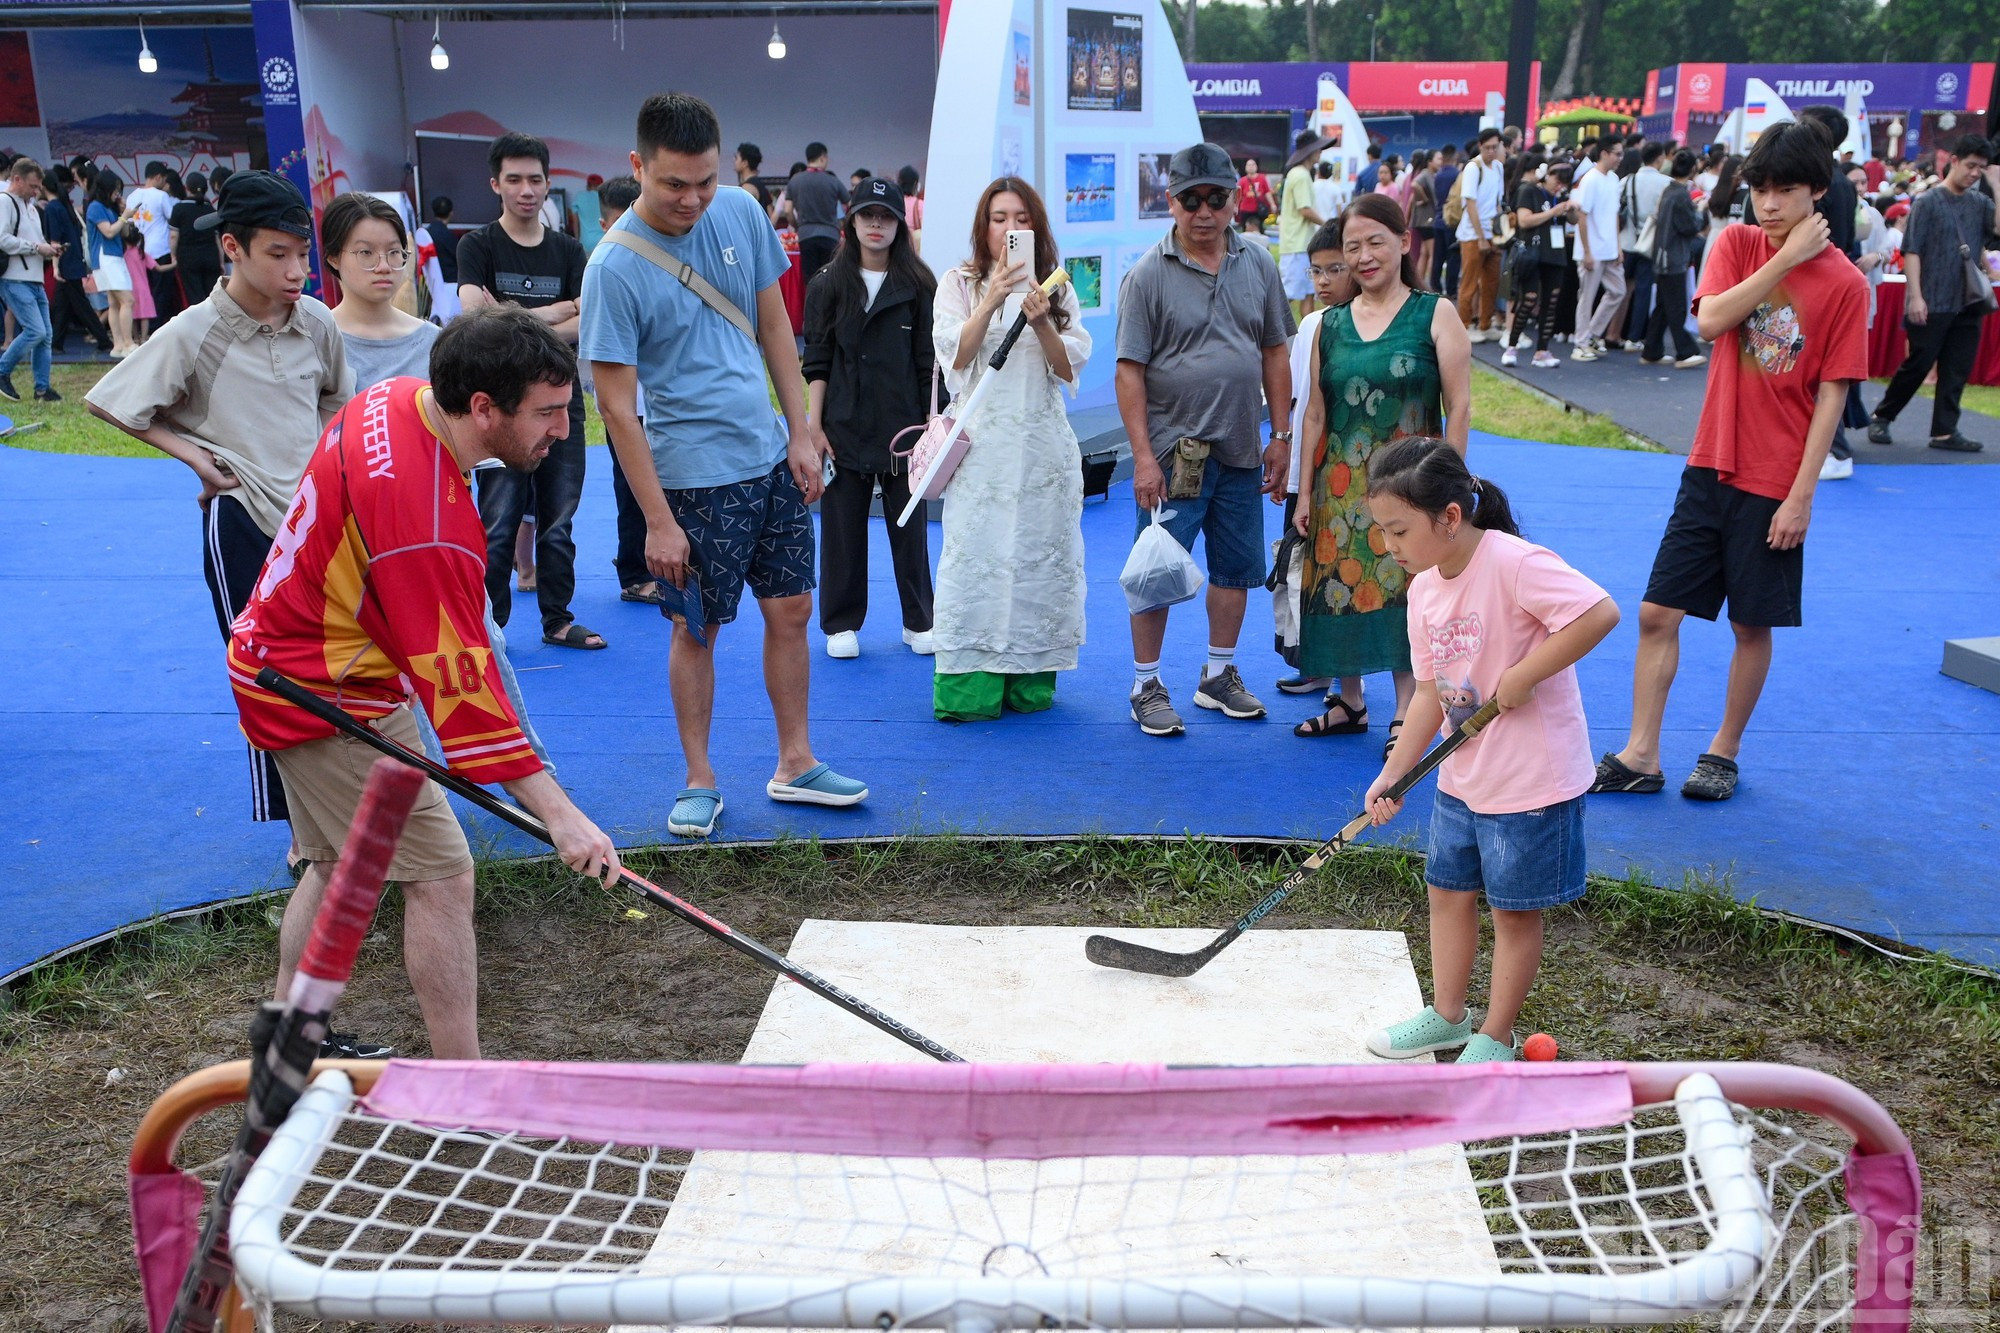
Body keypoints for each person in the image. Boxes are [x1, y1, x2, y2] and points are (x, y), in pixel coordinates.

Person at [232, 308, 621, 1061]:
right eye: (546, 413)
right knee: (442, 872)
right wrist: (564, 818)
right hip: (324, 688)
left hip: (289, 660)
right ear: (482, 407)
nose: (563, 431)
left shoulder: (398, 396)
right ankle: (460, 1083)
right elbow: (468, 704)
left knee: (339, 862)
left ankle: (287, 1037)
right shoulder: (429, 526)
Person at [582, 92, 867, 839]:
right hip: (691, 479)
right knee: (695, 630)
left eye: (705, 180)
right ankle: (699, 777)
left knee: (794, 610)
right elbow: (616, 409)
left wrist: (800, 433)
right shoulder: (613, 269)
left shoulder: (740, 211)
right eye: (674, 184)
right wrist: (657, 521)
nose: (692, 199)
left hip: (770, 458)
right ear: (637, 167)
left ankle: (795, 760)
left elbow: (775, 323)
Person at [1591, 121, 1867, 803]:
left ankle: (1724, 749)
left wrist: (1802, 495)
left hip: (1776, 478)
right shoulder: (1738, 244)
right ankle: (1642, 753)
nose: (1769, 204)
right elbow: (1711, 321)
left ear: (1818, 191)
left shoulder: (1847, 284)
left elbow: (1832, 396)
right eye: (1761, 189)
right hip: (1708, 463)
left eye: (1786, 190)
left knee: (1751, 622)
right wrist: (1780, 261)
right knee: (1658, 611)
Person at [85, 170, 352, 831]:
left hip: (318, 525)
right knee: (266, 675)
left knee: (337, 664)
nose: (296, 271)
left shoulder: (316, 319)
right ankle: (299, 831)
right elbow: (114, 402)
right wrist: (198, 456)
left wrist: (328, 472)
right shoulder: (195, 330)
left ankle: (344, 804)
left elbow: (337, 402)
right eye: (278, 254)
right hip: (243, 524)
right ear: (232, 246)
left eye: (303, 254)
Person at [1360, 437, 1619, 1064]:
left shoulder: (1514, 563)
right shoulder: (1424, 588)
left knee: (1513, 912)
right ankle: (1448, 1016)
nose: (1389, 547)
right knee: (1446, 890)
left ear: (1450, 517)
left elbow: (1599, 612)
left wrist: (1528, 672)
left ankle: (1496, 1036)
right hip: (1462, 774)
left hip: (1531, 781)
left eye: (1398, 531)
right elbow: (1427, 693)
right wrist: (1394, 772)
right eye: (1382, 533)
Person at [320, 190, 552, 769]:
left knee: (479, 641)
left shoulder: (431, 338)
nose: (383, 266)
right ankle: (412, 786)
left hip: (438, 515)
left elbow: (473, 428)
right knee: (379, 664)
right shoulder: (316, 336)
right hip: (349, 534)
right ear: (332, 259)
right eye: (365, 253)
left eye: (395, 253)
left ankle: (528, 768)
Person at [1116, 142, 1293, 737]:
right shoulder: (1146, 275)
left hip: (1242, 448)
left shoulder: (1259, 264)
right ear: (1170, 203)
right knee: (1155, 572)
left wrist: (1282, 434)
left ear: (1233, 200)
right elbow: (1129, 371)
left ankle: (1218, 674)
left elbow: (1275, 350)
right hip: (1173, 455)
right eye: (1189, 200)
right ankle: (1146, 684)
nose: (1202, 212)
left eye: (1214, 199)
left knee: (1237, 570)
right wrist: (1143, 457)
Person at [1292, 192, 1472, 752]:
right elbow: (1316, 412)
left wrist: (1452, 485)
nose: (1365, 256)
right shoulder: (1329, 324)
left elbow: (1459, 407)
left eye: (1375, 242)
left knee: (1405, 591)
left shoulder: (1434, 312)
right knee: (1340, 589)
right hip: (1340, 490)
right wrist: (1303, 493)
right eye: (1353, 247)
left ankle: (1406, 712)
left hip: (1413, 489)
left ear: (1403, 242)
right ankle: (1349, 701)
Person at [926, 177, 1088, 721]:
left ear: (1036, 226)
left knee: (1038, 560)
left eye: (1022, 218)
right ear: (983, 225)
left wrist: (1041, 320)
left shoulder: (1058, 286)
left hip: (1042, 450)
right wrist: (994, 295)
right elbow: (956, 356)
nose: (1011, 228)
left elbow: (1067, 370)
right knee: (975, 559)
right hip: (981, 449)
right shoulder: (958, 282)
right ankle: (969, 687)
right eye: (1000, 218)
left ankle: (1029, 682)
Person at [456, 131, 601, 650]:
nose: (525, 189)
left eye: (535, 179)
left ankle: (558, 618)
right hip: (498, 410)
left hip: (561, 404)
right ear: (496, 184)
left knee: (558, 519)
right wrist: (549, 314)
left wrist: (510, 318)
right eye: (513, 179)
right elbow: (475, 316)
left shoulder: (567, 251)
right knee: (497, 523)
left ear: (547, 184)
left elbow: (588, 322)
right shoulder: (477, 245)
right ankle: (488, 628)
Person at [804, 175, 938, 664]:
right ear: (851, 221)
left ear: (900, 225)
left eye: (886, 217)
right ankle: (840, 622)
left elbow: (930, 363)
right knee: (841, 531)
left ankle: (919, 619)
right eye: (867, 215)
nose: (876, 225)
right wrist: (813, 426)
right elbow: (816, 361)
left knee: (912, 530)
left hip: (906, 431)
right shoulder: (827, 285)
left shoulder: (921, 285)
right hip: (842, 428)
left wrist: (932, 424)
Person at [1867, 133, 1993, 455]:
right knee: (1918, 363)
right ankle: (1882, 415)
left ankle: (1944, 431)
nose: (1975, 172)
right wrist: (1916, 296)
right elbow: (1913, 251)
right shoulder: (1927, 202)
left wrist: (1997, 182)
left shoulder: (1981, 204)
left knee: (1957, 368)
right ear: (1953, 161)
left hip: (1969, 300)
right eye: (1971, 165)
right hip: (1933, 298)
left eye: (1981, 167)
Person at [1274, 221, 1356, 695]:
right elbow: (1299, 400)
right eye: (1316, 271)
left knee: (1344, 571)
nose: (1323, 281)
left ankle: (1350, 677)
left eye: (1334, 269)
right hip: (1307, 469)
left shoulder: (1364, 325)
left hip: (1346, 466)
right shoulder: (1310, 324)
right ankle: (1316, 661)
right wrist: (1285, 455)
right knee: (1302, 571)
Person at [589, 175, 663, 608]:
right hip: (626, 405)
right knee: (630, 487)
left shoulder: (660, 263)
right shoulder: (603, 266)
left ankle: (669, 564)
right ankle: (634, 572)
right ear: (604, 223)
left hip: (667, 403)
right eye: (619, 222)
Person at [0, 158, 64, 402]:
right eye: (33, 186)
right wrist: (38, 248)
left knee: (45, 334)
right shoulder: (4, 202)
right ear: (17, 179)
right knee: (36, 331)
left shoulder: (29, 206)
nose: (37, 192)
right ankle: (3, 371)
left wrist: (49, 248)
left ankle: (42, 388)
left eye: (38, 187)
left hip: (33, 278)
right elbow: (2, 238)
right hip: (14, 278)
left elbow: (34, 241)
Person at [1501, 162, 1576, 370]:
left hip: (1556, 254)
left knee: (1551, 303)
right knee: (1528, 300)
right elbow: (1524, 221)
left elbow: (1573, 220)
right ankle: (1511, 346)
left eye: (1563, 183)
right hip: (1532, 253)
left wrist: (1570, 209)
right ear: (1546, 174)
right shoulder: (1528, 191)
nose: (1559, 186)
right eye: (1557, 181)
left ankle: (1542, 350)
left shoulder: (1562, 196)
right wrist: (1554, 211)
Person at [1639, 150, 1708, 370]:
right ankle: (1685, 351)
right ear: (1692, 170)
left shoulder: (1669, 190)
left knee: (1663, 306)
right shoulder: (1681, 195)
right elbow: (1691, 226)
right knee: (1676, 306)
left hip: (1661, 254)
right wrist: (1700, 209)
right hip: (1674, 256)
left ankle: (1652, 350)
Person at [42, 164, 112, 356]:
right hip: (73, 260)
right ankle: (57, 343)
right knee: (62, 306)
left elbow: (55, 240)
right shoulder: (64, 206)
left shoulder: (52, 209)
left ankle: (102, 340)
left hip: (65, 262)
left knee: (78, 307)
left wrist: (56, 267)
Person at [1570, 137, 1628, 360]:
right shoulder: (1590, 179)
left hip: (1609, 248)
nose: (1619, 159)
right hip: (1592, 250)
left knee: (1618, 291)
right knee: (1587, 297)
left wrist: (1618, 247)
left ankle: (1592, 334)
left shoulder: (1613, 179)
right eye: (1617, 154)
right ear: (1604, 153)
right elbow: (1582, 216)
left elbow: (1613, 214)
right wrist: (1586, 251)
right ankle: (1581, 343)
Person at [1614, 143, 1671, 347]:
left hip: (1626, 242)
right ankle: (1635, 336)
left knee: (1620, 289)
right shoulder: (1666, 183)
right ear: (1659, 158)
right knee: (1643, 291)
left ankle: (1613, 332)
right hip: (1650, 244)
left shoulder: (1627, 181)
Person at [1455, 128, 1506, 341]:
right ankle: (1463, 327)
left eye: (1495, 147)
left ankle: (1485, 324)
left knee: (1491, 282)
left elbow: (1498, 203)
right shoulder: (1473, 168)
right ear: (1480, 146)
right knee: (1469, 283)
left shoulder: (1498, 168)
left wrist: (1499, 233)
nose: (1491, 152)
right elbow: (1471, 205)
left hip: (1491, 232)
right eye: (1487, 148)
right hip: (1472, 234)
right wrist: (1481, 237)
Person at [124, 160, 184, 329]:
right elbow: (173, 220)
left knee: (143, 292)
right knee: (161, 292)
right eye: (164, 180)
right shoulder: (161, 196)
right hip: (160, 251)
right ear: (158, 177)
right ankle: (156, 328)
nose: (165, 184)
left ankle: (144, 328)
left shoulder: (132, 197)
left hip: (139, 252)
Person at [84, 173, 138, 356]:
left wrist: (124, 213)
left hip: (113, 257)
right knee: (127, 300)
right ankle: (128, 343)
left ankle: (118, 346)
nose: (117, 193)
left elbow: (123, 233)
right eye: (115, 190)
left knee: (114, 303)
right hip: (105, 258)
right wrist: (123, 216)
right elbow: (108, 232)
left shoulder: (109, 208)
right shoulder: (95, 207)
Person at [1276, 131, 1327, 317]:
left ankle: (1306, 336)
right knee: (1287, 296)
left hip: (1300, 244)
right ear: (1310, 151)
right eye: (1318, 148)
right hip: (1296, 245)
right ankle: (1265, 332)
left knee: (1307, 293)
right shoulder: (1301, 175)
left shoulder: (1299, 173)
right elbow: (1304, 209)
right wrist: (1327, 223)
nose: (1321, 151)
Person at [789, 142, 847, 281]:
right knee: (831, 278)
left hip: (806, 235)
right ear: (822, 157)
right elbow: (850, 205)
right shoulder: (833, 181)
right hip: (830, 235)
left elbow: (787, 210)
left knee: (811, 280)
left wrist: (798, 226)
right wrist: (842, 226)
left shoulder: (795, 181)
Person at [168, 172, 221, 309]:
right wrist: (220, 261)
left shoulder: (179, 208)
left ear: (187, 188)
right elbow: (217, 239)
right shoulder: (210, 208)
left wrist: (173, 254)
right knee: (213, 295)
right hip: (211, 256)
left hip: (188, 258)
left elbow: (174, 236)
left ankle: (201, 326)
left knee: (195, 296)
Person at [1430, 144, 1461, 296]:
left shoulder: (1438, 175)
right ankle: (1451, 289)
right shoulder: (1458, 175)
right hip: (1453, 220)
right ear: (1455, 157)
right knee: (1453, 257)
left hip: (1438, 219)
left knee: (1438, 257)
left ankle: (1435, 287)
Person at [425, 196, 460, 286]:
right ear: (451, 213)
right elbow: (460, 257)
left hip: (431, 283)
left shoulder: (427, 233)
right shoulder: (449, 236)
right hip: (450, 283)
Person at [1236, 157, 1274, 230]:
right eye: (1249, 165)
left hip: (1258, 210)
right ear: (1245, 167)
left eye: (1253, 165)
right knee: (1245, 230)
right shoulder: (1242, 180)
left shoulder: (1262, 178)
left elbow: (1267, 192)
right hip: (1245, 210)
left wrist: (1272, 204)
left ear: (1256, 166)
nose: (1251, 167)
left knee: (1259, 229)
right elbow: (1238, 195)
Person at [734, 142, 772, 212]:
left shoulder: (747, 188)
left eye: (736, 158)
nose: (734, 161)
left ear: (745, 163)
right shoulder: (762, 187)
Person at [1312, 160, 1340, 230]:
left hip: (1313, 225)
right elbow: (1339, 211)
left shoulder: (1312, 186)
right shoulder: (1336, 188)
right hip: (1329, 226)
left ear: (1318, 172)